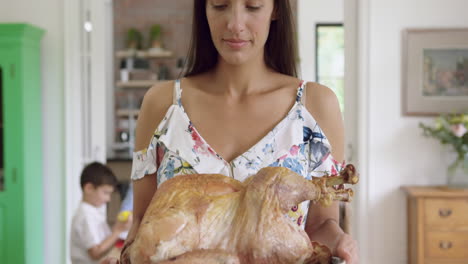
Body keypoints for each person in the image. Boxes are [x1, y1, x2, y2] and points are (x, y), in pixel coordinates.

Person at [118, 0, 359, 263]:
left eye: (253, 6)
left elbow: (322, 224)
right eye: (220, 5)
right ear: (204, 10)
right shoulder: (162, 105)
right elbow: (142, 220)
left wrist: (339, 241)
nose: (234, 24)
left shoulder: (315, 106)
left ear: (275, 9)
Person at [70, 162, 132, 264]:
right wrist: (117, 231)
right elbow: (95, 253)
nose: (108, 199)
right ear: (89, 188)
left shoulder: (93, 212)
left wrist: (118, 227)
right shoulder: (85, 215)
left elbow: (105, 242)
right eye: (105, 193)